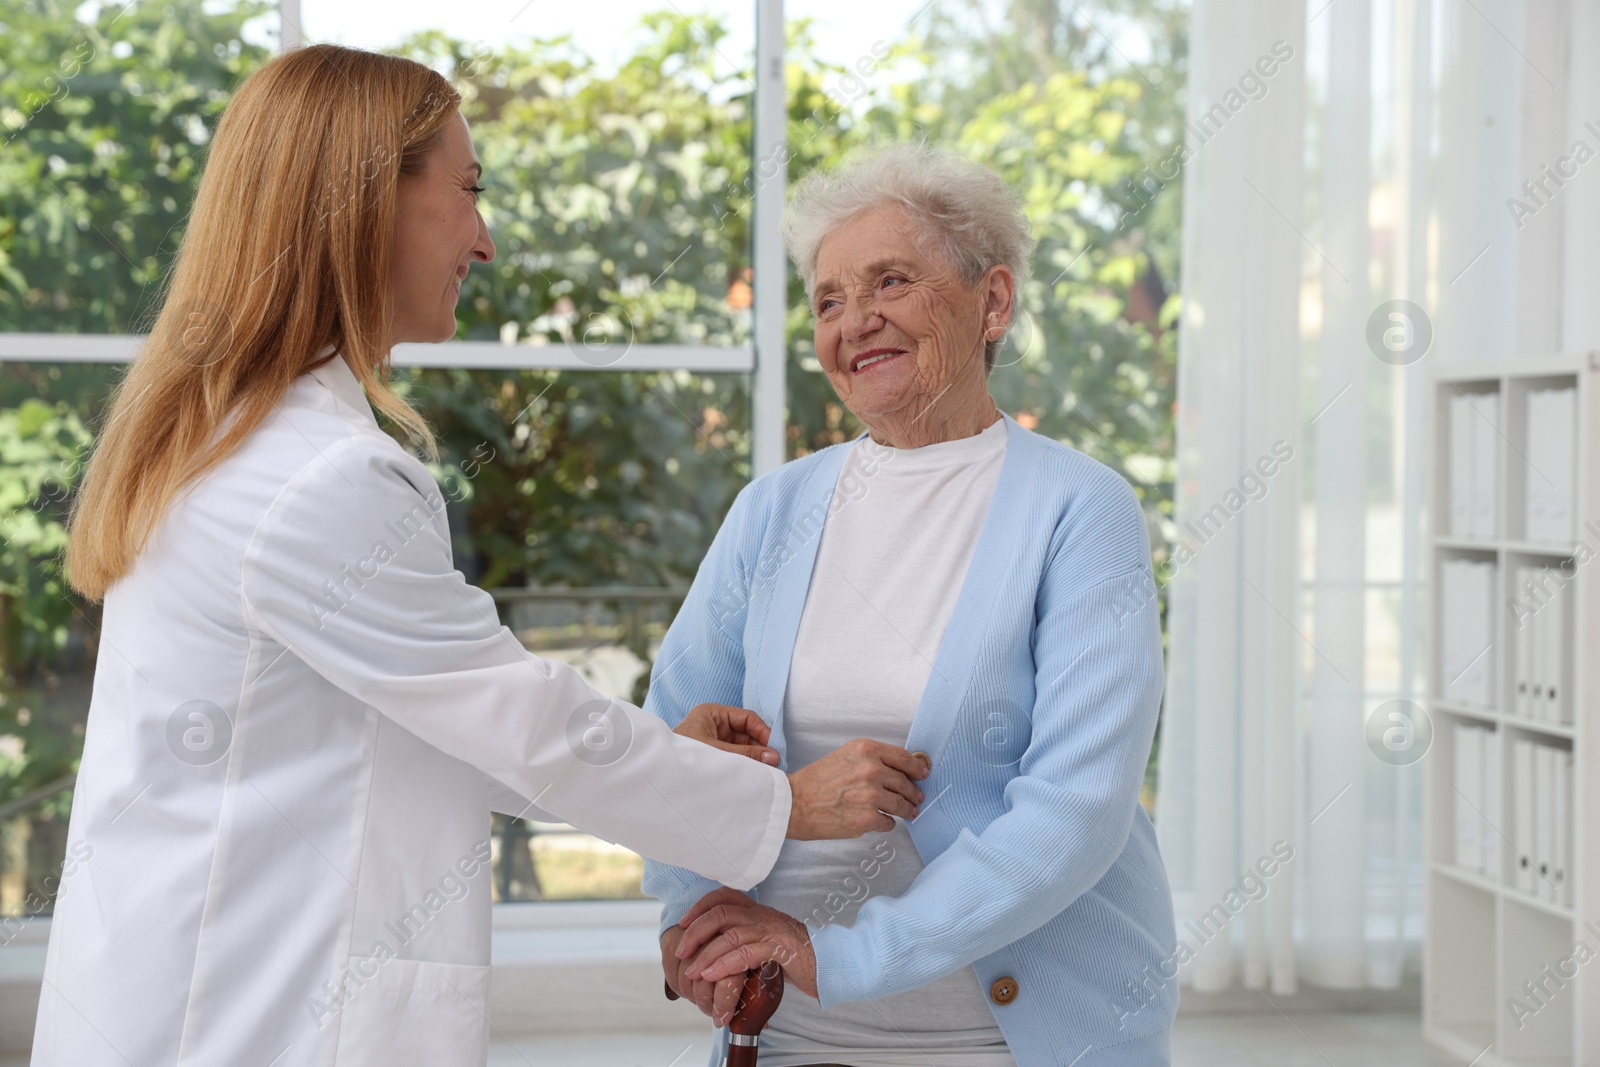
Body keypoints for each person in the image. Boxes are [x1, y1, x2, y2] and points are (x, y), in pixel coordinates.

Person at [37, 45, 926, 1067]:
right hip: (246, 1020)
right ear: (364, 202)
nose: (486, 240)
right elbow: (517, 719)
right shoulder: (314, 480)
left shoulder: (234, 442)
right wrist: (782, 805)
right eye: (467, 191)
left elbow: (444, 721)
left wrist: (673, 758)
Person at [645, 143, 1177, 1066]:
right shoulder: (773, 509)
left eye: (892, 280)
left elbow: (1078, 806)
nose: (857, 321)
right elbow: (676, 738)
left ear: (993, 302)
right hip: (790, 1030)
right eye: (828, 300)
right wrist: (690, 919)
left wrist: (840, 954)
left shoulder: (1080, 507)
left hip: (1003, 1037)